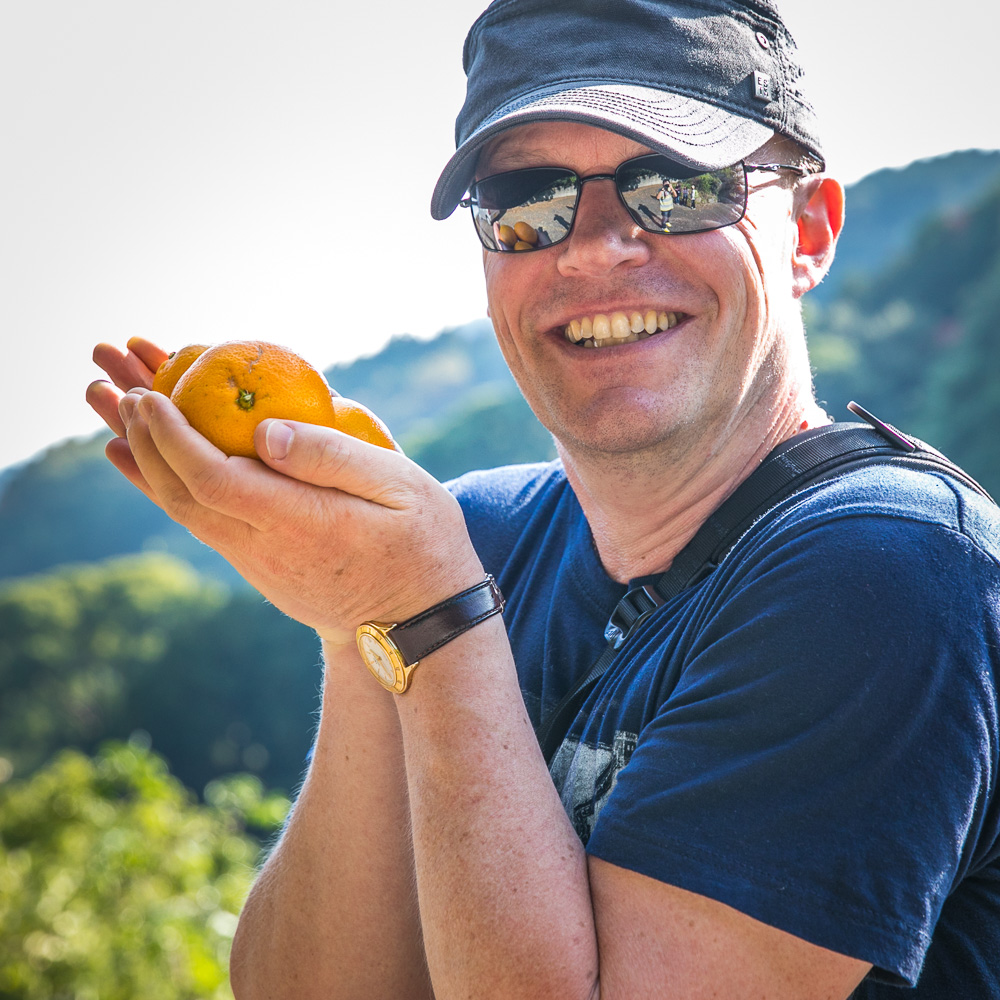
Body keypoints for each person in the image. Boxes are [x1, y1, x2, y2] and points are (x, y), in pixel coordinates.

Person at [86, 0, 1000, 997]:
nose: (593, 247)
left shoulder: (892, 573)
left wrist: (429, 617)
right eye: (528, 198)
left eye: (679, 183)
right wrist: (360, 630)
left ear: (809, 231)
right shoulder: (475, 534)